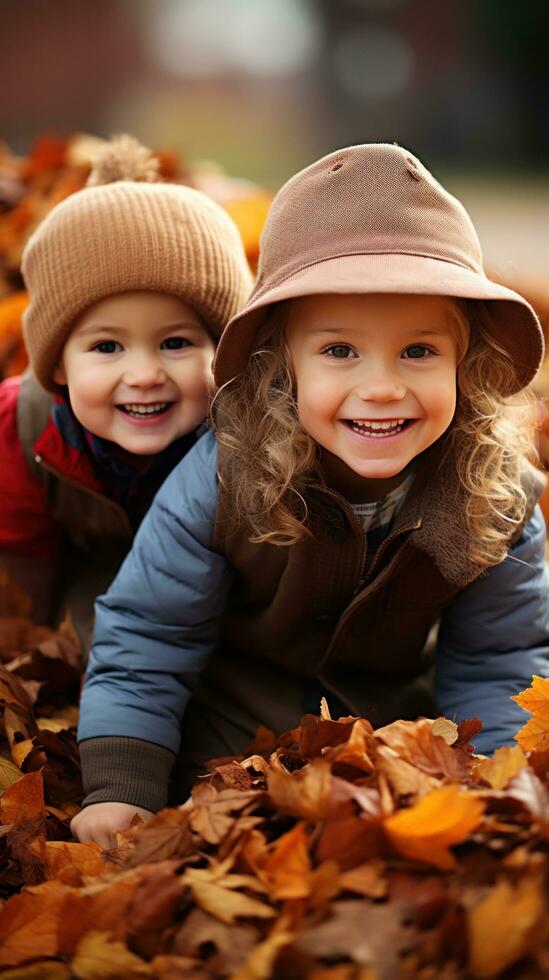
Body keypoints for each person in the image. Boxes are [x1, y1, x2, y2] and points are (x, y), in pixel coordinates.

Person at [72, 143, 549, 849]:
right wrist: (121, 785)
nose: (382, 386)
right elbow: (151, 635)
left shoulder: (493, 494)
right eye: (339, 351)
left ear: (466, 362)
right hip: (233, 728)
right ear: (280, 365)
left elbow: (499, 657)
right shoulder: (223, 478)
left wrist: (494, 779)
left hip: (391, 736)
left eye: (418, 352)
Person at [0, 135, 252, 648]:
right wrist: (25, 649)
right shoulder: (24, 427)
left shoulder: (255, 439)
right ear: (60, 364)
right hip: (93, 578)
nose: (143, 375)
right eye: (108, 347)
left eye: (176, 342)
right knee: (84, 641)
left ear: (224, 356)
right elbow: (20, 559)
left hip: (218, 600)